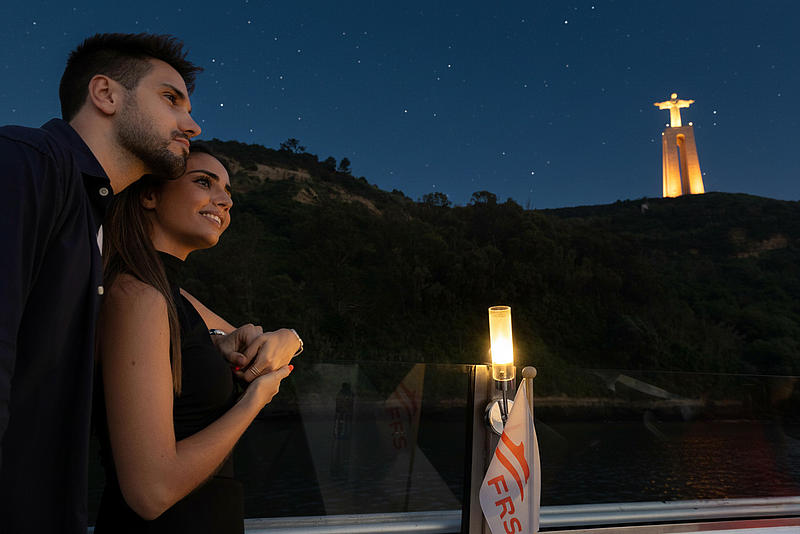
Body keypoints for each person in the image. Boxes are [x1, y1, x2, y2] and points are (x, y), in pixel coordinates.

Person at [0, 33, 203, 534]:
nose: (192, 125)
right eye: (171, 98)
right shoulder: (25, 164)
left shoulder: (93, 226)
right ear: (106, 94)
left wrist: (226, 336)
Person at [93, 144, 302, 533]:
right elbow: (151, 492)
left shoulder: (168, 293)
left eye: (227, 191)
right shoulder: (137, 295)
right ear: (150, 195)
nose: (225, 200)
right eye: (204, 182)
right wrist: (255, 400)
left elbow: (256, 339)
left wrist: (290, 337)